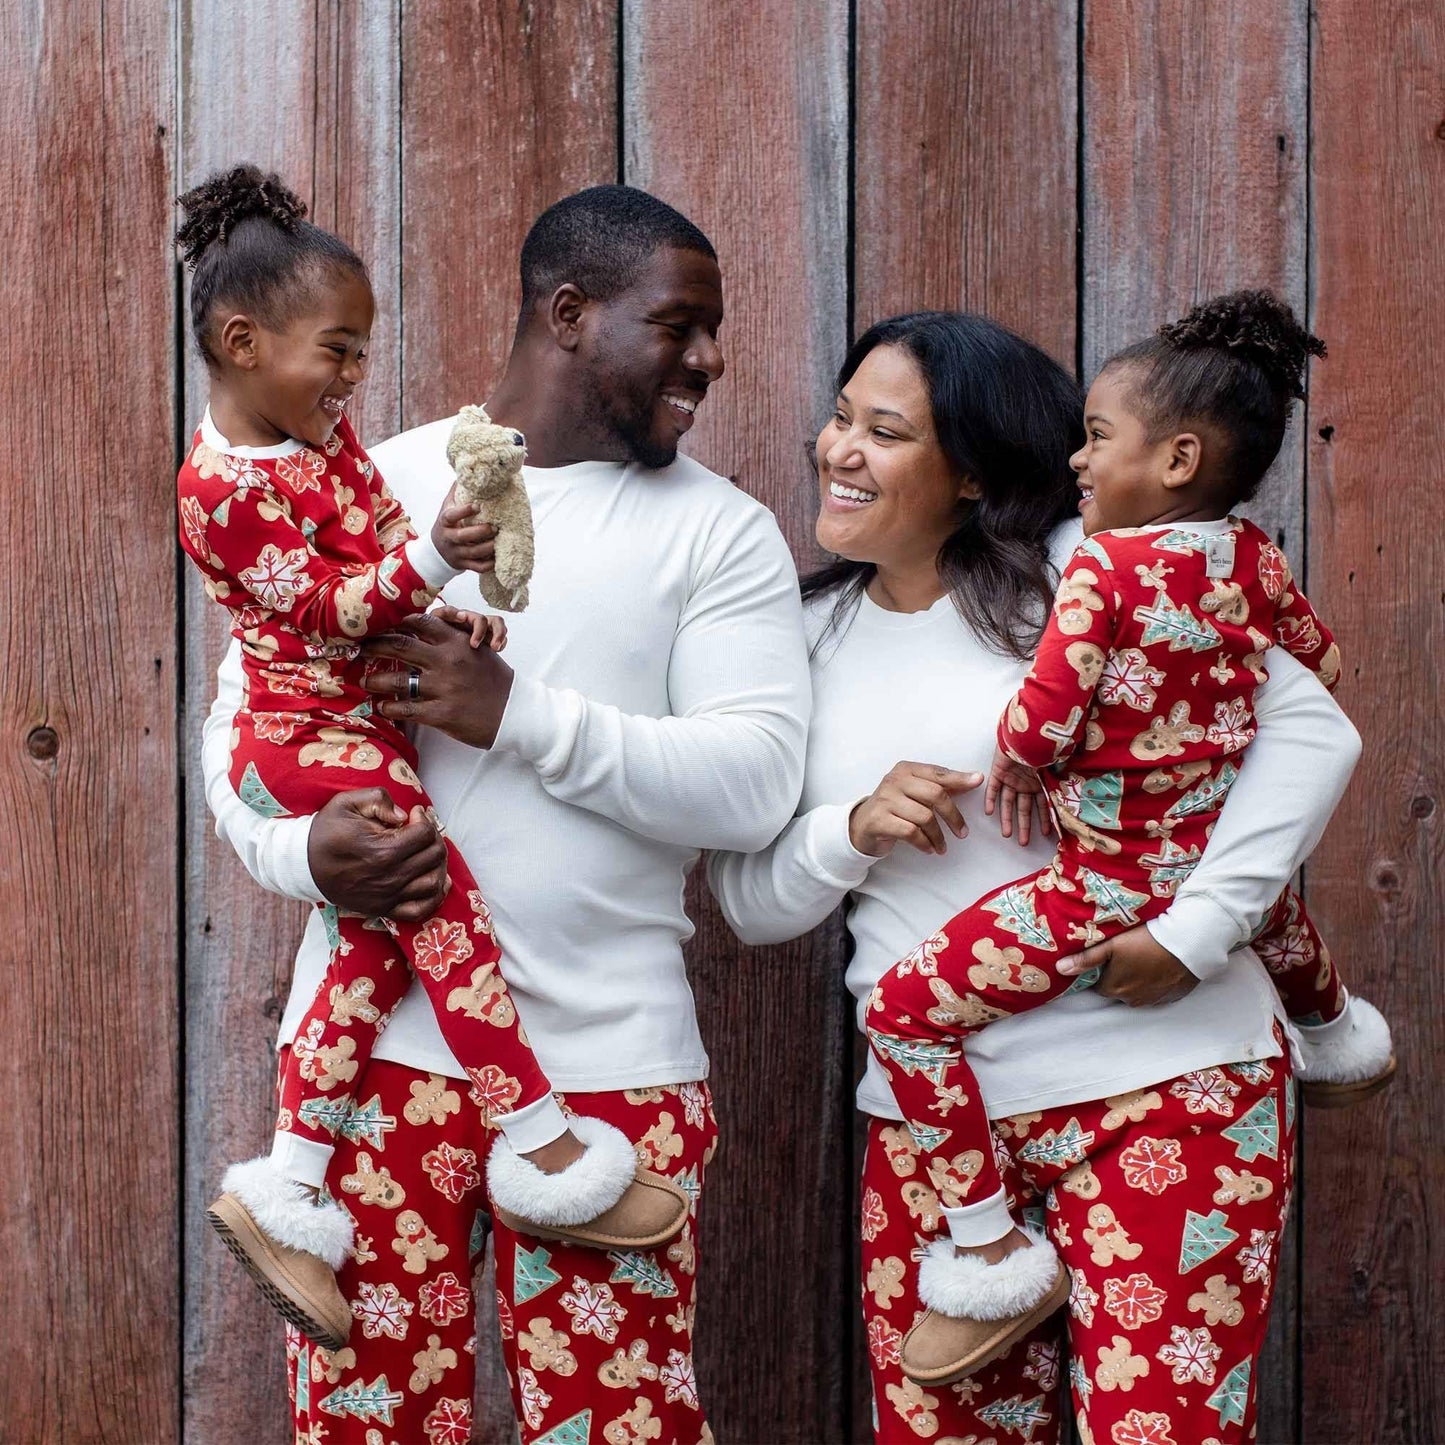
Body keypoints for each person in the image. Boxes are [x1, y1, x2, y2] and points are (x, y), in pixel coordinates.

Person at [200, 184, 810, 1443]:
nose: (709, 358)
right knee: (370, 1424)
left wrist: (516, 714)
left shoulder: (724, 535)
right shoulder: (379, 477)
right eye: (678, 324)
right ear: (568, 313)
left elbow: (753, 786)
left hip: (609, 1075)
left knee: (619, 1423)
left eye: (712, 330)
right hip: (379, 1068)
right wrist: (298, 850)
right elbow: (243, 719)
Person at [708, 310, 1361, 1444]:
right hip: (935, 1134)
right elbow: (748, 904)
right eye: (840, 417)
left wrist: (1197, 931)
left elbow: (1313, 735)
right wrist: (848, 828)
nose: (838, 449)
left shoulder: (1088, 566)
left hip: (1164, 1091)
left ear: (970, 471)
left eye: (884, 431)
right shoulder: (801, 640)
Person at [863, 292, 1395, 1382]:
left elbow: (1051, 719)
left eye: (883, 429)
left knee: (903, 1012)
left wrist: (1023, 759)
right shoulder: (1250, 559)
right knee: (1273, 917)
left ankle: (986, 1250)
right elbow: (1325, 660)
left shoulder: (1093, 563)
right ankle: (1336, 1032)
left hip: (1128, 943)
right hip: (1177, 862)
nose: (1079, 459)